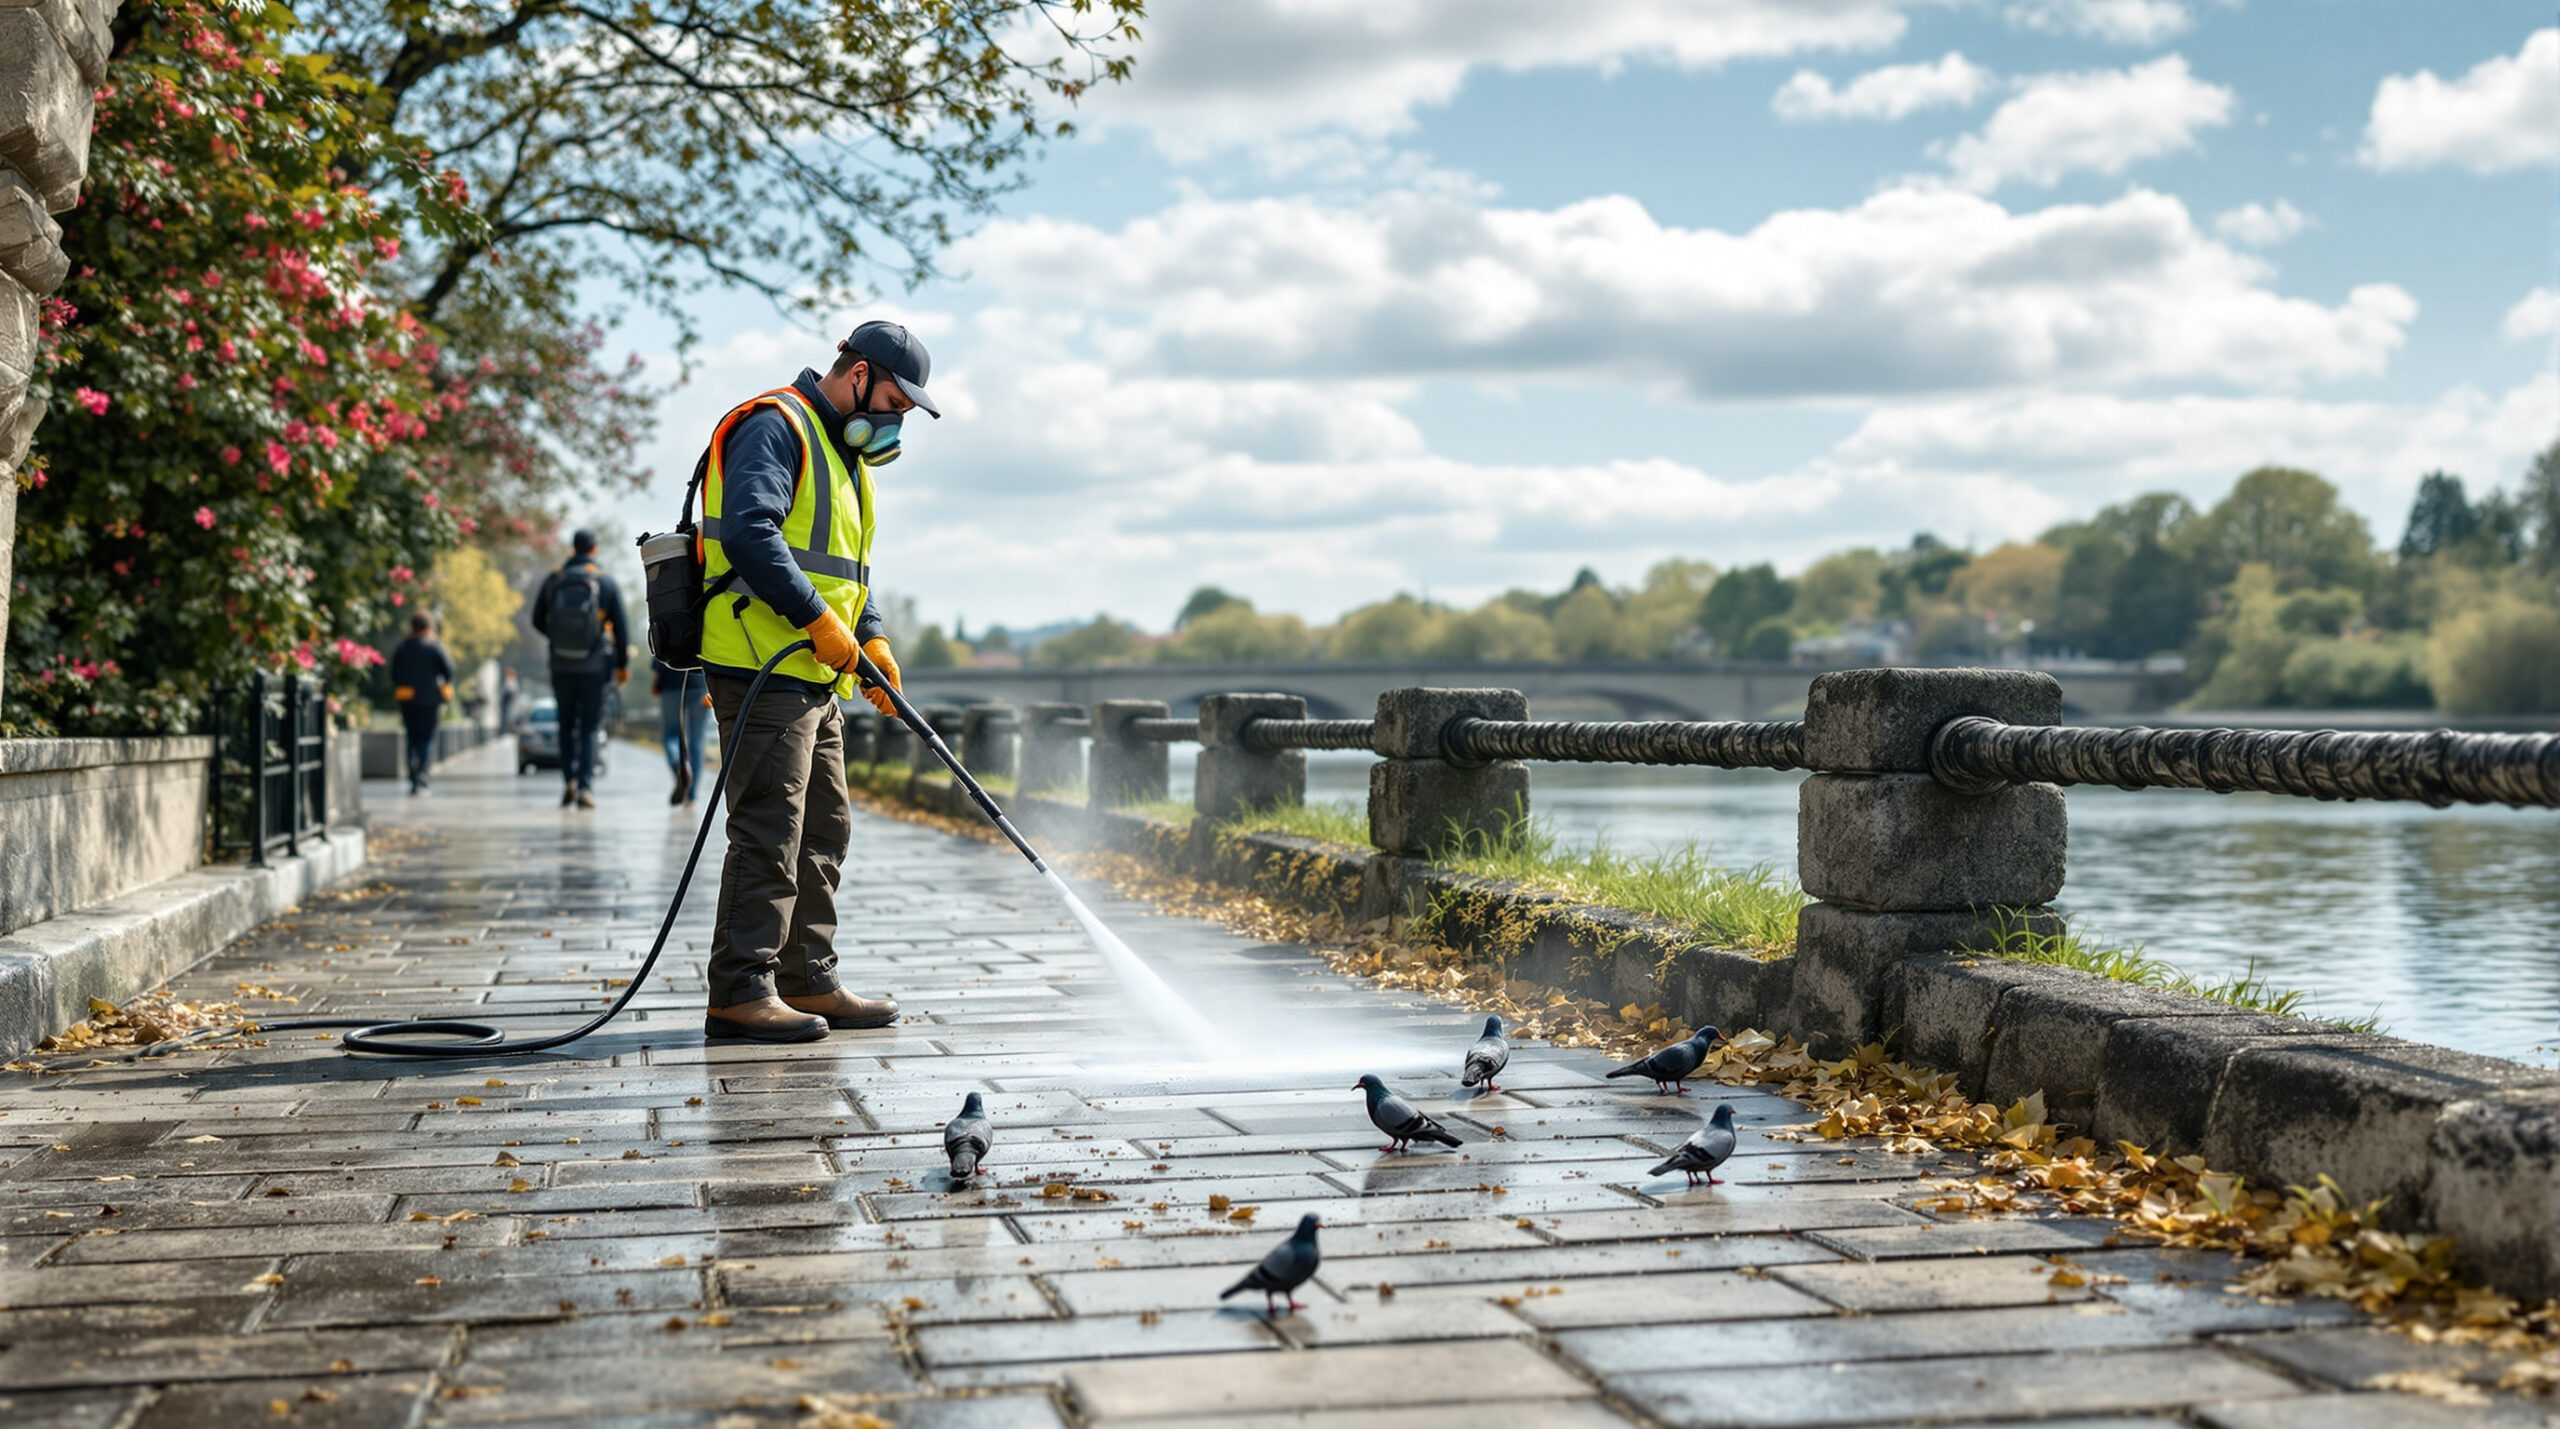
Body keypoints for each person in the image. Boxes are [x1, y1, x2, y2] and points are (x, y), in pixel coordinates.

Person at [692, 319, 931, 1043]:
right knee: (770, 825)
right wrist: (816, 620)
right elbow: (750, 535)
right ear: (857, 374)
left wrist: (873, 634)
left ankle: (808, 977)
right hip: (761, 659)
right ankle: (740, 989)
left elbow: (846, 569)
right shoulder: (777, 426)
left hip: (816, 669)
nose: (897, 419)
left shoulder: (844, 459)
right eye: (894, 400)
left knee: (825, 826)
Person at [532, 529, 631, 809]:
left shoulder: (555, 580)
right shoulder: (606, 582)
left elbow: (537, 618)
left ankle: (569, 781)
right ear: (594, 549)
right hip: (596, 666)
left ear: (573, 549)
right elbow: (622, 629)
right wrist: (621, 664)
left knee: (565, 724)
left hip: (561, 665)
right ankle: (586, 786)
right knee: (589, 727)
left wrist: (557, 638)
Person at [388, 613, 455, 795]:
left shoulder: (402, 648)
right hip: (430, 699)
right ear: (428, 627)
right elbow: (449, 670)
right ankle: (423, 774)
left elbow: (393, 673)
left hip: (407, 698)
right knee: (427, 737)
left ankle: (412, 774)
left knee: (412, 737)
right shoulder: (434, 647)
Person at [654, 655, 710, 805]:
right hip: (700, 685)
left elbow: (658, 658)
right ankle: (691, 794)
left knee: (671, 735)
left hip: (670, 685)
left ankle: (680, 764)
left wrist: (657, 683)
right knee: (697, 740)